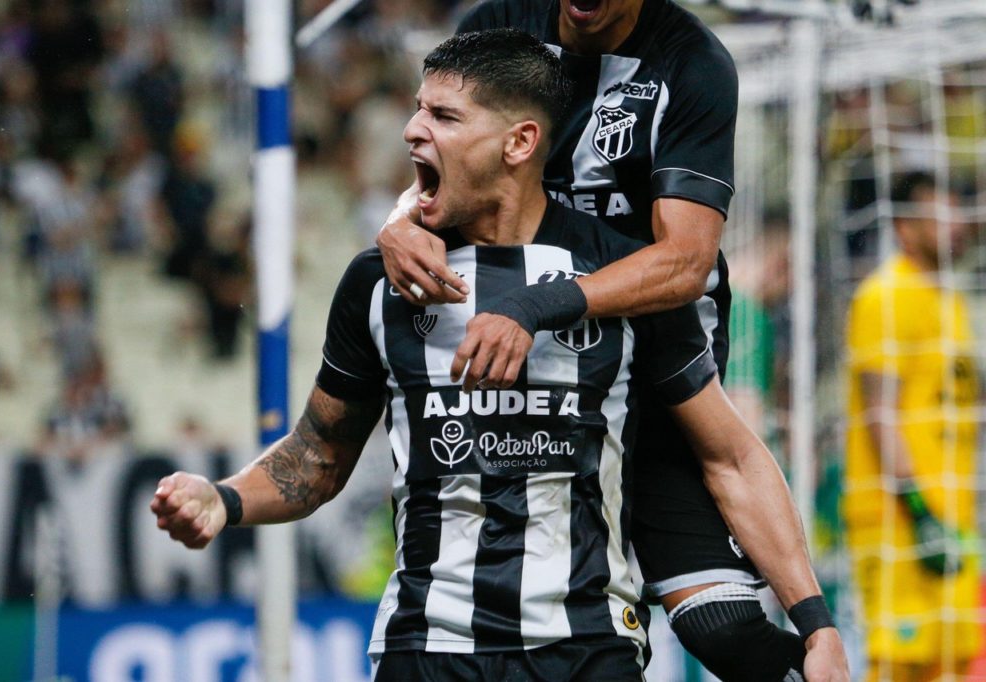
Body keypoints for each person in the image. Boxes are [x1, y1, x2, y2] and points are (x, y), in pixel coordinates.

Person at [153, 29, 842, 681]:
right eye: (418, 110)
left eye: (445, 117)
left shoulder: (619, 280)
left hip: (586, 647)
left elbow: (731, 455)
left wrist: (815, 624)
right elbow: (318, 454)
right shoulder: (379, 281)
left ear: (519, 142)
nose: (413, 130)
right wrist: (224, 498)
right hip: (426, 647)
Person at [376, 2, 847, 679]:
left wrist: (541, 302)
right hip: (533, 394)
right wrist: (398, 218)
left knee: (725, 630)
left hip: (652, 363)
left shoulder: (692, 64)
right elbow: (444, 140)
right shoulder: (500, 20)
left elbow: (684, 264)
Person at [845, 171, 980, 682]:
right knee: (900, 666)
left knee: (949, 665)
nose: (957, 225)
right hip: (899, 522)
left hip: (954, 517)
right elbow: (880, 411)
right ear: (904, 227)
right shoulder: (885, 295)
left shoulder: (951, 301)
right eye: (940, 215)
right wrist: (919, 511)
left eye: (958, 212)